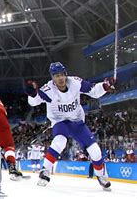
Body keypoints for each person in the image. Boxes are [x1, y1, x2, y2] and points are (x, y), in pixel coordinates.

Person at [25, 62, 115, 190]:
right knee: (59, 142)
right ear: (52, 78)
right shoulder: (48, 90)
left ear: (66, 74)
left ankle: (101, 176)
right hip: (60, 122)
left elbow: (93, 90)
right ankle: (45, 171)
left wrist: (105, 86)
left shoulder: (75, 83)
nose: (60, 78)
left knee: (95, 151)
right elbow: (33, 102)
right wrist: (31, 93)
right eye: (56, 76)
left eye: (62, 75)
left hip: (77, 122)